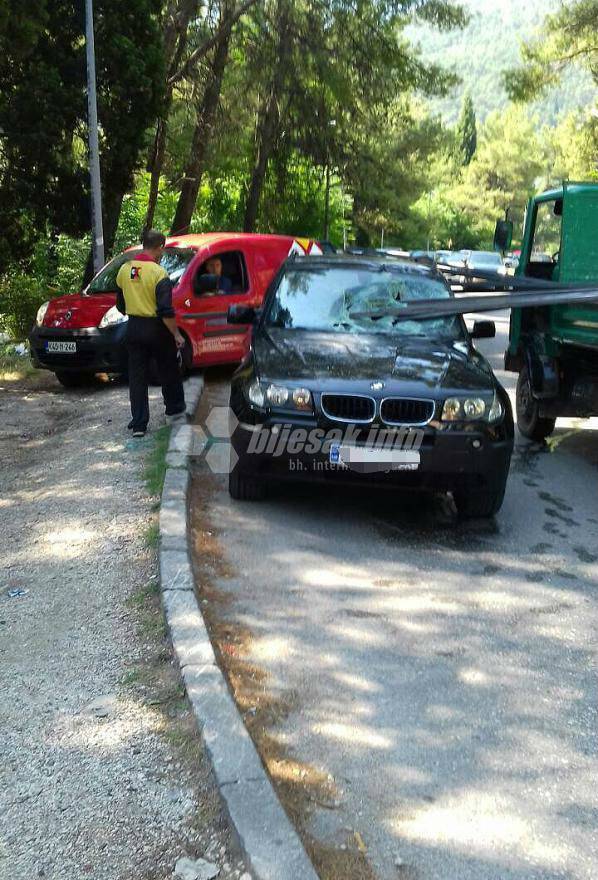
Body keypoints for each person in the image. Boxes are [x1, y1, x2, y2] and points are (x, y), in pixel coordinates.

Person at [116, 229, 186, 438]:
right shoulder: (159, 274)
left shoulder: (125, 270)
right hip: (157, 329)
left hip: (134, 328)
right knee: (168, 370)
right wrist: (176, 334)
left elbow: (120, 304)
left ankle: (139, 424)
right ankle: (174, 412)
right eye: (162, 250)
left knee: (137, 377)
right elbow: (166, 310)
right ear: (160, 247)